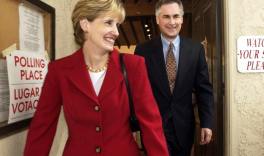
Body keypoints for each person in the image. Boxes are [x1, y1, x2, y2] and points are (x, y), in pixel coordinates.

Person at [24, 0, 169, 155]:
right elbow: (41, 130)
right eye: (108, 23)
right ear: (85, 24)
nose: (116, 32)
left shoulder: (133, 66)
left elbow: (151, 126)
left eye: (117, 25)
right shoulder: (58, 71)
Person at [134, 0, 214, 155]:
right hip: (153, 127)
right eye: (166, 17)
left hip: (184, 127)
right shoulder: (142, 50)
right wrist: (134, 126)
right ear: (157, 19)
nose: (172, 22)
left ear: (182, 18)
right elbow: (135, 92)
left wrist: (207, 123)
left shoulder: (196, 50)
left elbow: (204, 89)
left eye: (176, 16)